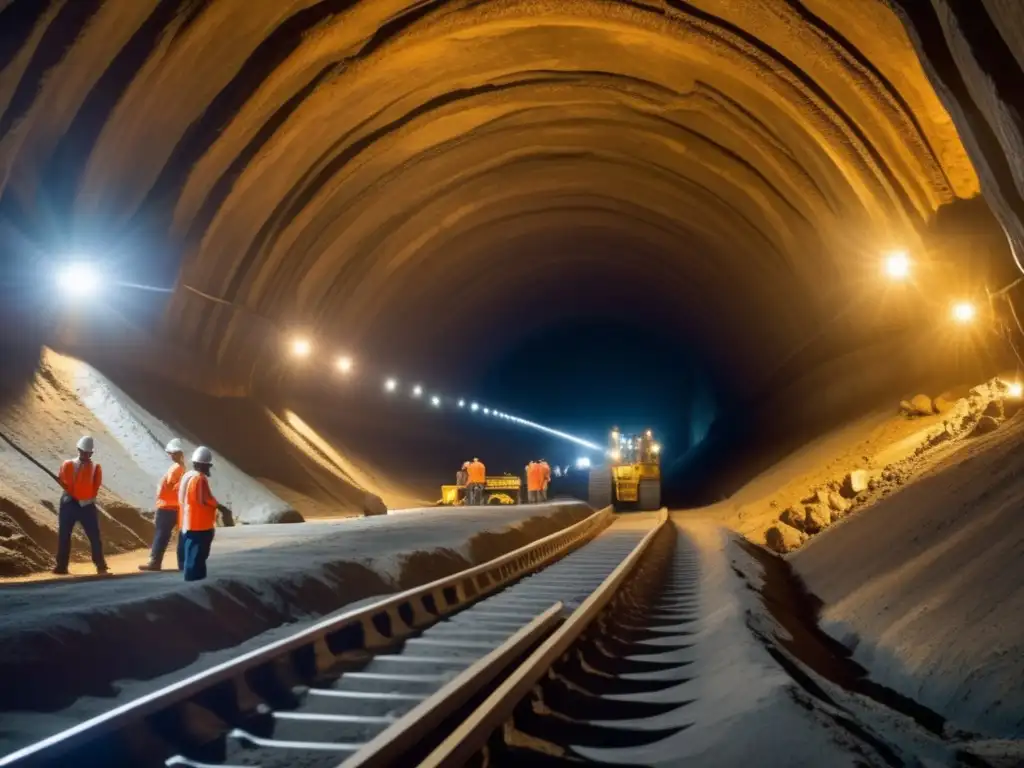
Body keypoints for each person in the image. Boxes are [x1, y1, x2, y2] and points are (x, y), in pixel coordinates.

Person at [54, 436, 109, 575]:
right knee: (64, 535)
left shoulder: (96, 468)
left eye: (88, 453)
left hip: (87, 505)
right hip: (69, 503)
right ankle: (61, 566)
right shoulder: (68, 464)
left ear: (91, 453)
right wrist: (69, 491)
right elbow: (63, 481)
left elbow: (95, 486)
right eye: (83, 452)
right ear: (79, 450)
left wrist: (86, 498)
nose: (85, 454)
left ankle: (100, 565)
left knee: (94, 536)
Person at [139, 439, 187, 572]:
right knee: (180, 537)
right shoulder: (182, 468)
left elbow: (173, 485)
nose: (170, 455)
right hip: (176, 508)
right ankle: (183, 564)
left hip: (167, 508)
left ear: (176, 453)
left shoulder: (176, 468)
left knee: (161, 535)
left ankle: (155, 562)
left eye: (171, 453)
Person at [178, 446, 219, 582]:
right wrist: (218, 506)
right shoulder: (199, 479)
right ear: (204, 465)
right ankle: (195, 582)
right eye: (208, 466)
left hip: (189, 523)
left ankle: (192, 579)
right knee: (198, 556)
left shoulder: (188, 476)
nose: (208, 469)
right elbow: (203, 500)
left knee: (191, 554)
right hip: (200, 525)